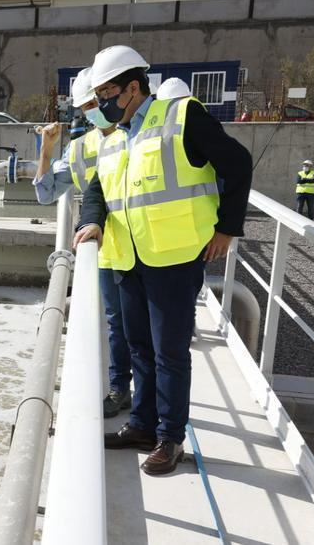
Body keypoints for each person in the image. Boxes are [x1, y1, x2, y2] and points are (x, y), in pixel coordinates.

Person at [73, 46, 252, 477]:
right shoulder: (117, 135)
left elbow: (238, 162)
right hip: (129, 256)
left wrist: (227, 229)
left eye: (106, 93)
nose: (100, 104)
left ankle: (170, 438)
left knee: (169, 351)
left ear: (133, 88)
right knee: (139, 347)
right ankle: (141, 425)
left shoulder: (181, 117)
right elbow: (97, 190)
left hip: (174, 256)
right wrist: (92, 223)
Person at [33, 67, 130, 419]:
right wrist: (46, 150)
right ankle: (120, 388)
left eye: (96, 101)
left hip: (150, 246)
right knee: (118, 323)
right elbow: (46, 193)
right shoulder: (80, 149)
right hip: (107, 251)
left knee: (152, 331)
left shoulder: (139, 134)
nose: (93, 108)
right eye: (87, 105)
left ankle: (156, 412)